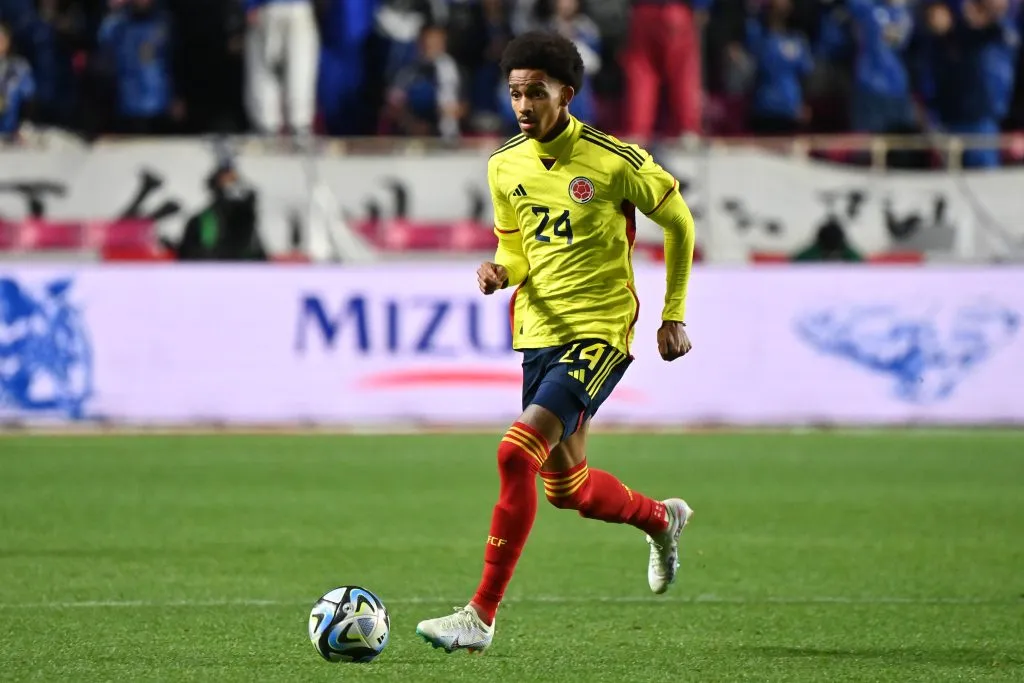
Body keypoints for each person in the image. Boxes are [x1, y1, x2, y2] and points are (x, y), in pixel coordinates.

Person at [415, 30, 697, 654]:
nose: (522, 104)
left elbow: (678, 220)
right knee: (567, 488)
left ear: (566, 93)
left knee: (516, 455)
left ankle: (479, 617)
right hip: (537, 332)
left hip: (599, 332)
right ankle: (661, 519)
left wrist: (672, 313)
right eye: (515, 92)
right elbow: (515, 245)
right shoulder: (503, 164)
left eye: (535, 92)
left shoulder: (613, 159)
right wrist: (500, 270)